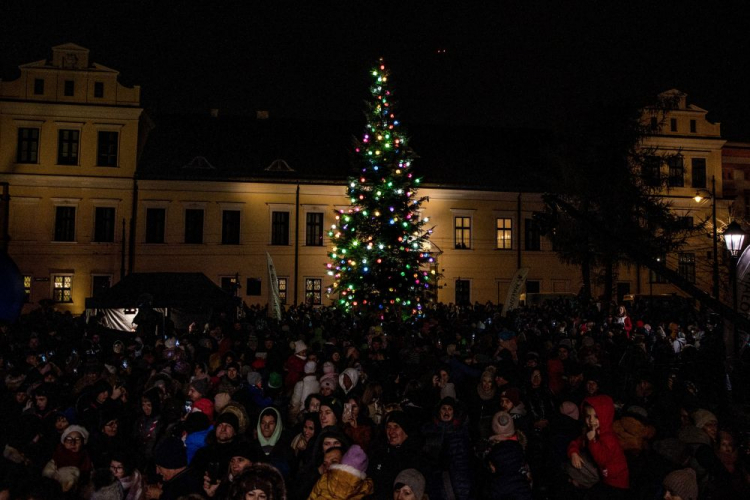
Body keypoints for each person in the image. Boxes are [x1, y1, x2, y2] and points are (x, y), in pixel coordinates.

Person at [568, 395, 629, 495]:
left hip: (617, 483)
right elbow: (576, 442)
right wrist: (573, 453)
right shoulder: (592, 431)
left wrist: (592, 441)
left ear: (605, 416)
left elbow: (602, 460)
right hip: (604, 478)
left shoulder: (609, 438)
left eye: (596, 416)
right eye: (588, 416)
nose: (591, 420)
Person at [421, 396, 472, 500]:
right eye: (444, 408)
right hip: (432, 476)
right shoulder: (428, 429)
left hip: (455, 478)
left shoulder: (461, 431)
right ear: (439, 411)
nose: (446, 412)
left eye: (450, 409)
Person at [368, 411, 425, 500]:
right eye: (388, 427)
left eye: (396, 427)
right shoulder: (380, 452)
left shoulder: (416, 457)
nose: (391, 432)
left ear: (406, 430)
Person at [482, 411, 532, 500]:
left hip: (498, 489)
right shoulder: (520, 447)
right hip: (520, 489)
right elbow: (527, 472)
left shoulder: (489, 450)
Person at [308, 444, 373, 500]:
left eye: (334, 462)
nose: (328, 468)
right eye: (325, 464)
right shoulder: (323, 479)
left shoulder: (363, 488)